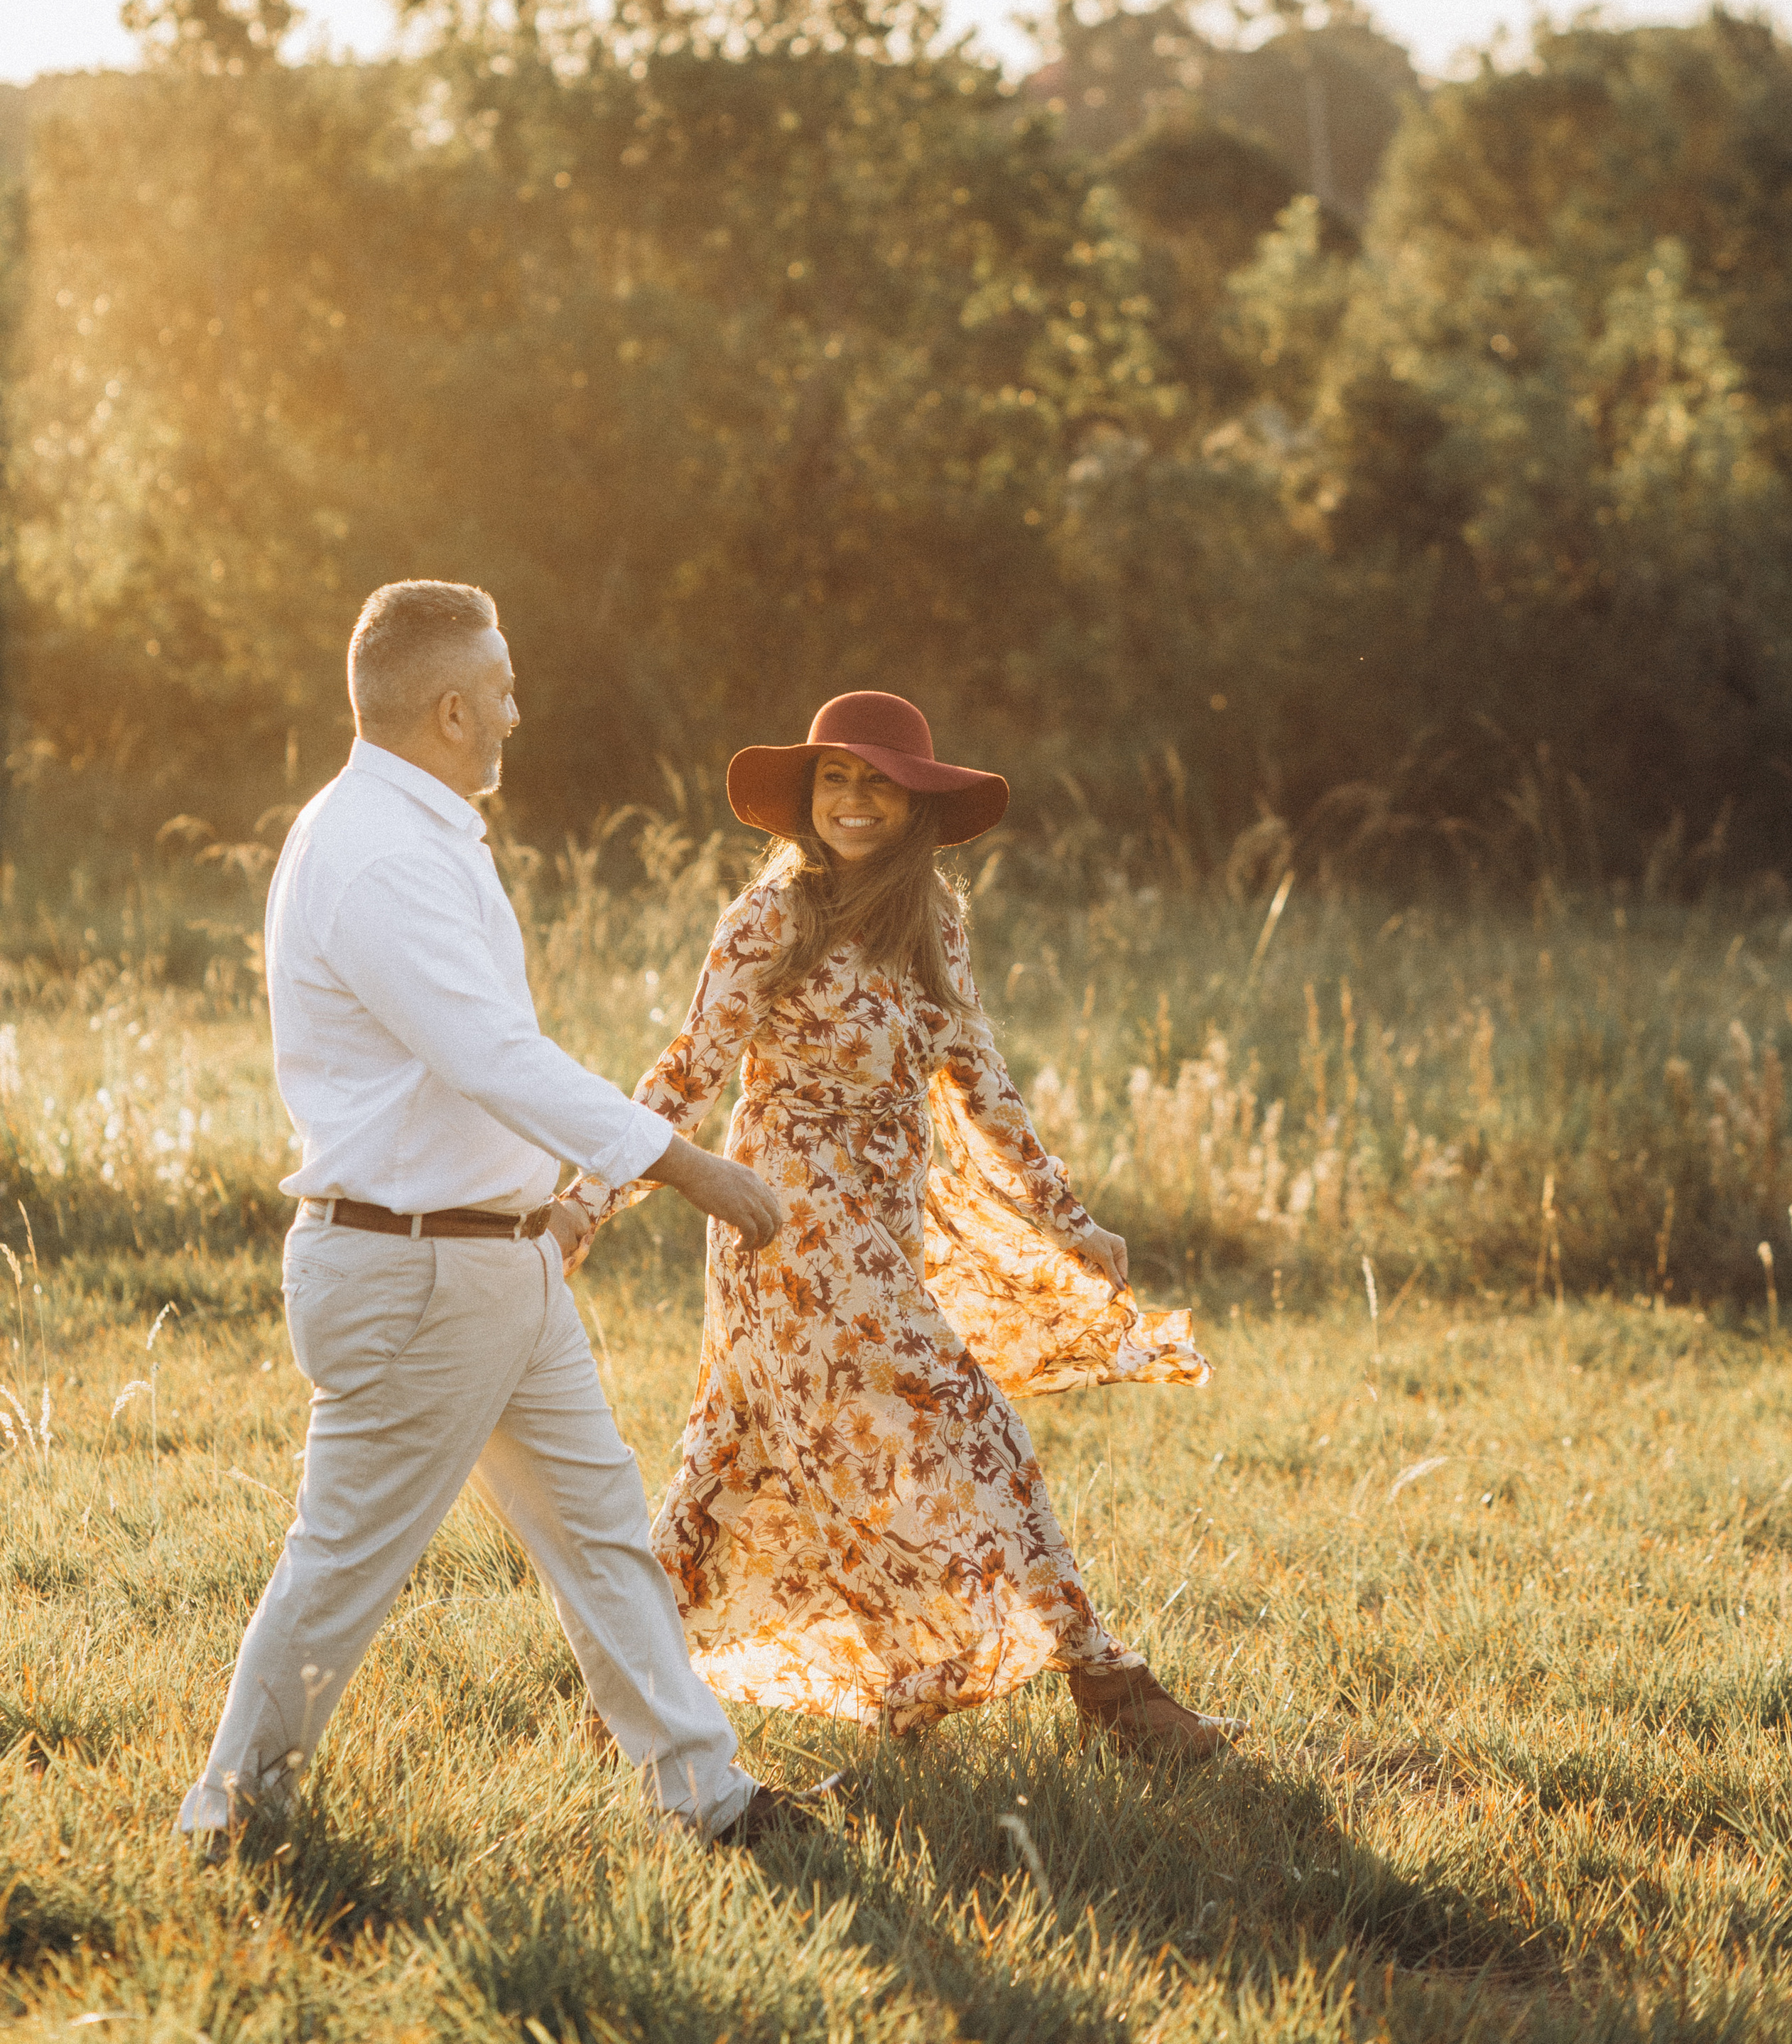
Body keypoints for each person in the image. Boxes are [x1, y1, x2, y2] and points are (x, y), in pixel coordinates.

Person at [178, 581, 832, 1853]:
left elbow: (472, 1070)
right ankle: (233, 1817)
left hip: (495, 1263)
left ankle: (707, 1797)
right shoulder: (377, 854)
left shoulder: (412, 832)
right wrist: (683, 1166)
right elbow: (489, 1055)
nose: (518, 714)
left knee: (602, 1535)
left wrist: (551, 1208)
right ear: (450, 708)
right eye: (504, 690)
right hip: (415, 1273)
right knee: (345, 1561)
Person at [568, 692, 1232, 1754]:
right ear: (806, 797)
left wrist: (1067, 1217)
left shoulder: (935, 921)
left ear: (918, 801)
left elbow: (979, 1075)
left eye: (878, 782)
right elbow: (686, 1073)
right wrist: (587, 1202)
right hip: (788, 1224)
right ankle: (1111, 1688)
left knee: (734, 1456)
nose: (854, 799)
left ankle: (627, 1696)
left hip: (882, 1221)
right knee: (972, 1423)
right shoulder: (770, 919)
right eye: (834, 778)